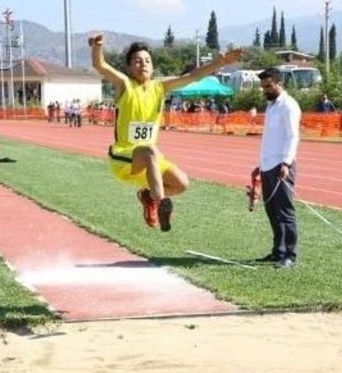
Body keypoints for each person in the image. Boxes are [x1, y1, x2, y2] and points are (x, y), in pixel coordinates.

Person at [89, 33, 242, 231]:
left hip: (149, 160)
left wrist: (219, 62)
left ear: (152, 65)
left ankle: (149, 196)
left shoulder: (160, 87)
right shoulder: (125, 85)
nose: (143, 65)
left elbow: (192, 77)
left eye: (147, 61)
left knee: (181, 184)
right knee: (150, 151)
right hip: (124, 156)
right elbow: (100, 65)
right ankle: (160, 203)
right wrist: (97, 46)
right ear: (128, 67)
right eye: (137, 61)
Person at [254, 68, 301, 269]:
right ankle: (278, 251)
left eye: (268, 86)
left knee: (285, 212)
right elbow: (271, 139)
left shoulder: (289, 106)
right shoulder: (272, 106)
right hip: (268, 165)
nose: (264, 90)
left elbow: (292, 136)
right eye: (263, 87)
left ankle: (290, 254)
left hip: (282, 166)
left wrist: (287, 163)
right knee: (272, 210)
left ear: (279, 83)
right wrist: (261, 164)